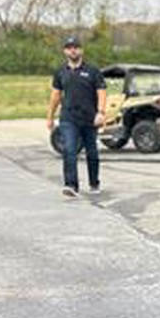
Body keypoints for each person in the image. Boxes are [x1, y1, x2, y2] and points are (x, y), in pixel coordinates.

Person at [46, 36, 107, 197]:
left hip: (89, 118)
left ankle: (94, 183)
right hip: (68, 118)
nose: (73, 50)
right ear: (65, 51)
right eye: (69, 47)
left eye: (76, 47)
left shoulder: (93, 71)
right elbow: (56, 95)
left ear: (81, 50)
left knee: (92, 153)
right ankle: (71, 185)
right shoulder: (60, 72)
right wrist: (50, 116)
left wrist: (100, 113)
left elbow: (101, 93)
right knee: (69, 150)